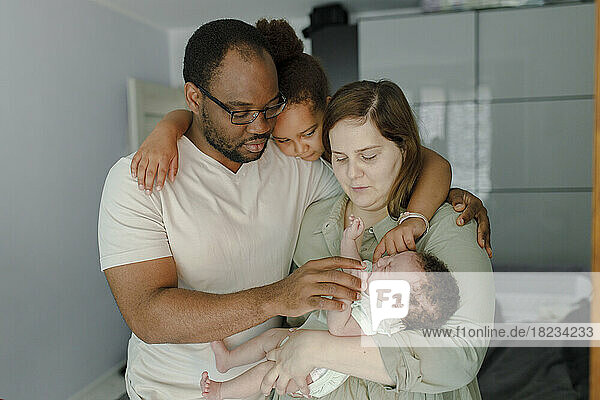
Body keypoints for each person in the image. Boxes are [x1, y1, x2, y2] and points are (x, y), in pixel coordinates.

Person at [98, 19, 481, 399]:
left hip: (276, 386)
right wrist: (280, 296)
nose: (260, 126)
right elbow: (148, 315)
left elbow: (390, 165)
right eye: (240, 112)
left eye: (270, 107)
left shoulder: (290, 158)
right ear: (195, 98)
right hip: (172, 391)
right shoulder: (142, 178)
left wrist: (447, 197)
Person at [130, 19, 493, 260]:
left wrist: (426, 211)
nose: (300, 149)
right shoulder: (270, 151)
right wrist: (166, 129)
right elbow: (198, 116)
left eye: (308, 133)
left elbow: (430, 162)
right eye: (283, 140)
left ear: (330, 112)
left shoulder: (352, 135)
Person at [260, 80, 495, 400]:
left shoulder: (451, 226)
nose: (353, 174)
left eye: (368, 156)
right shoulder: (309, 227)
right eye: (340, 158)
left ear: (404, 149)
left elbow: (460, 356)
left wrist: (319, 348)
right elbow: (293, 328)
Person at [197, 217, 460, 400]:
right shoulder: (371, 278)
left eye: (390, 268)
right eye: (392, 258)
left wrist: (347, 293)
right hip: (303, 336)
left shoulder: (378, 321)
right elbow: (351, 266)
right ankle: (228, 360)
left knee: (269, 370)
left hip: (317, 372)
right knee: (271, 339)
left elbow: (339, 326)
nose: (383, 261)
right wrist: (350, 240)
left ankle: (222, 391)